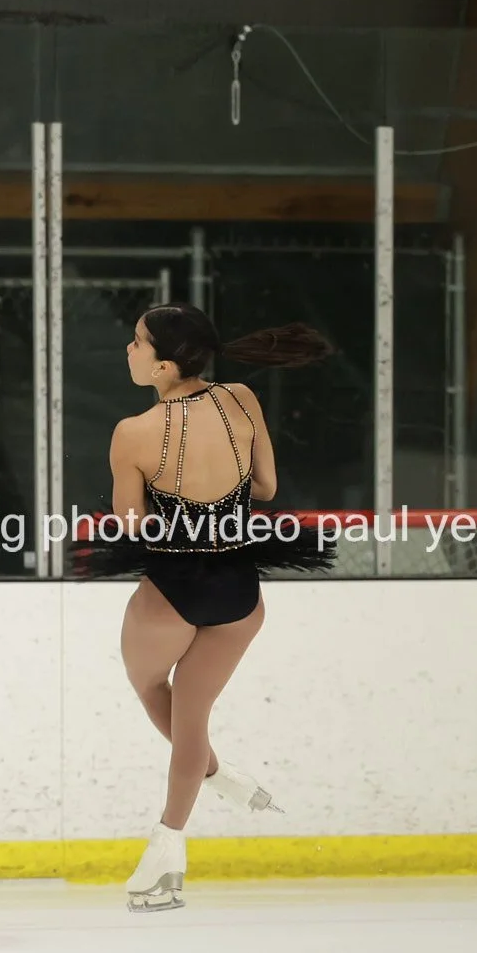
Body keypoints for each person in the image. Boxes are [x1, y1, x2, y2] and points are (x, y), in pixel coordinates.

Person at [70, 304, 337, 912]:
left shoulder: (133, 432)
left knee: (149, 685)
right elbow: (265, 488)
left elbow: (131, 523)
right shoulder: (241, 398)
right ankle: (174, 839)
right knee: (192, 720)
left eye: (137, 343)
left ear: (164, 365)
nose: (129, 350)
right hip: (240, 589)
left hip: (174, 587)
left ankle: (211, 784)